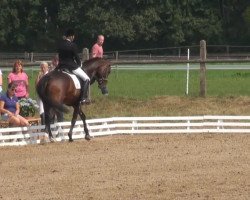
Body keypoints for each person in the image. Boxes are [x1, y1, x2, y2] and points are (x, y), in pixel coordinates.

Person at [57, 28, 90, 104]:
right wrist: (79, 65)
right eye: (73, 36)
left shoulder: (60, 44)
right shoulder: (73, 45)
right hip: (71, 66)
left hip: (60, 66)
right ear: (71, 36)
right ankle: (83, 98)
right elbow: (77, 58)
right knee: (86, 78)